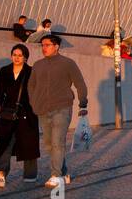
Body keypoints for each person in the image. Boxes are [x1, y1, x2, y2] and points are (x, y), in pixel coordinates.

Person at [29, 34, 88, 188]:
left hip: (62, 107)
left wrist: (83, 101)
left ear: (56, 46)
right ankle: (63, 172)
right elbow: (31, 86)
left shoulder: (68, 63)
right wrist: (33, 102)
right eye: (42, 45)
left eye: (47, 45)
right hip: (42, 109)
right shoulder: (37, 65)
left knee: (57, 142)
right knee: (49, 144)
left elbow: (79, 82)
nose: (44, 48)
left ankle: (55, 176)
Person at [0, 44, 41, 187]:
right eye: (14, 54)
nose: (17, 57)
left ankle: (30, 174)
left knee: (29, 143)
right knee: (4, 142)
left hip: (27, 112)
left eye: (20, 55)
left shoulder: (31, 71)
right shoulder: (4, 71)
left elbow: (38, 91)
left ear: (25, 57)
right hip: (8, 113)